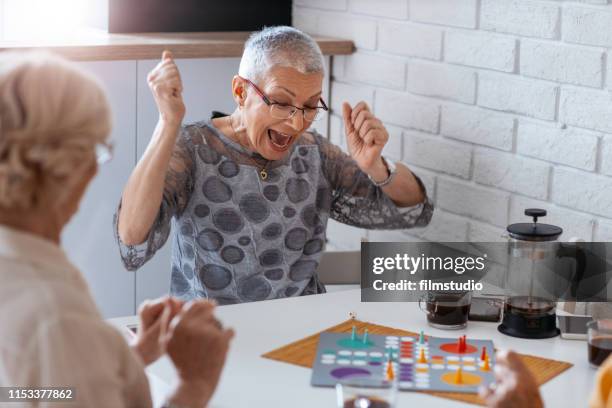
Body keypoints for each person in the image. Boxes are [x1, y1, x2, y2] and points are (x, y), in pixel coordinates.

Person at [115, 26, 434, 304]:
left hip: (300, 329)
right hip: (209, 338)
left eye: (310, 106)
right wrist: (167, 124)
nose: (296, 123)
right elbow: (132, 238)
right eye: (281, 102)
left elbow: (414, 209)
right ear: (240, 91)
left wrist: (376, 166)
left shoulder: (315, 154)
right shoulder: (193, 147)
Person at [0, 51, 233, 408]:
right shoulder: (56, 315)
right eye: (97, 151)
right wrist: (194, 384)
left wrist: (127, 357)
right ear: (76, 165)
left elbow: (30, 391)